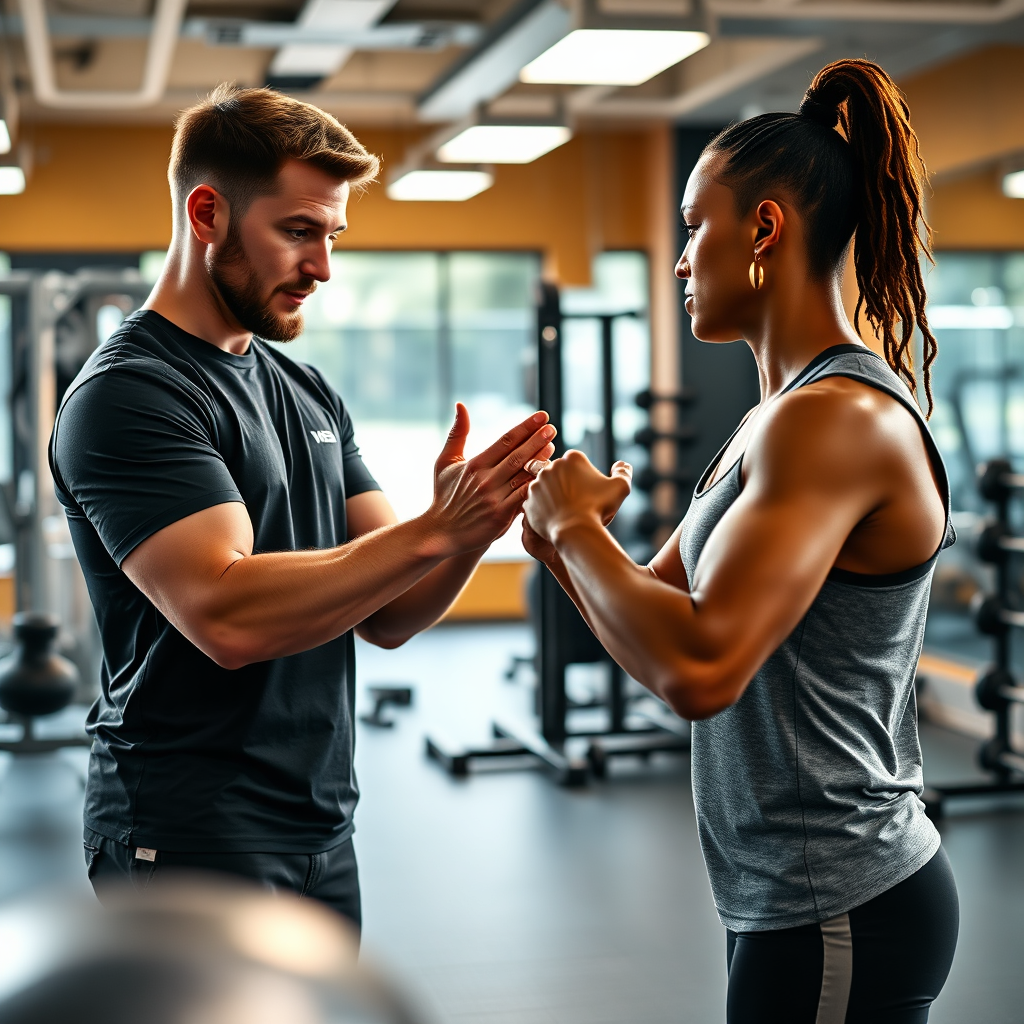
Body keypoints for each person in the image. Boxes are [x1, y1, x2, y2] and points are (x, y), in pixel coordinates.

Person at [49, 84, 554, 929]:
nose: (322, 267)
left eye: (331, 236)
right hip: (190, 839)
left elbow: (391, 613)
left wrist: (471, 530)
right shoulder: (132, 393)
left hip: (320, 825)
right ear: (207, 213)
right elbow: (227, 615)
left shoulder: (305, 388)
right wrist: (433, 528)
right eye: (297, 231)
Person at [521, 59, 959, 1023]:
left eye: (692, 230)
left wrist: (573, 531)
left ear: (763, 230)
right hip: (787, 894)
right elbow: (653, 612)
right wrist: (556, 532)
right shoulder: (773, 420)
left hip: (837, 897)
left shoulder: (832, 423)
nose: (680, 260)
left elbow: (699, 666)